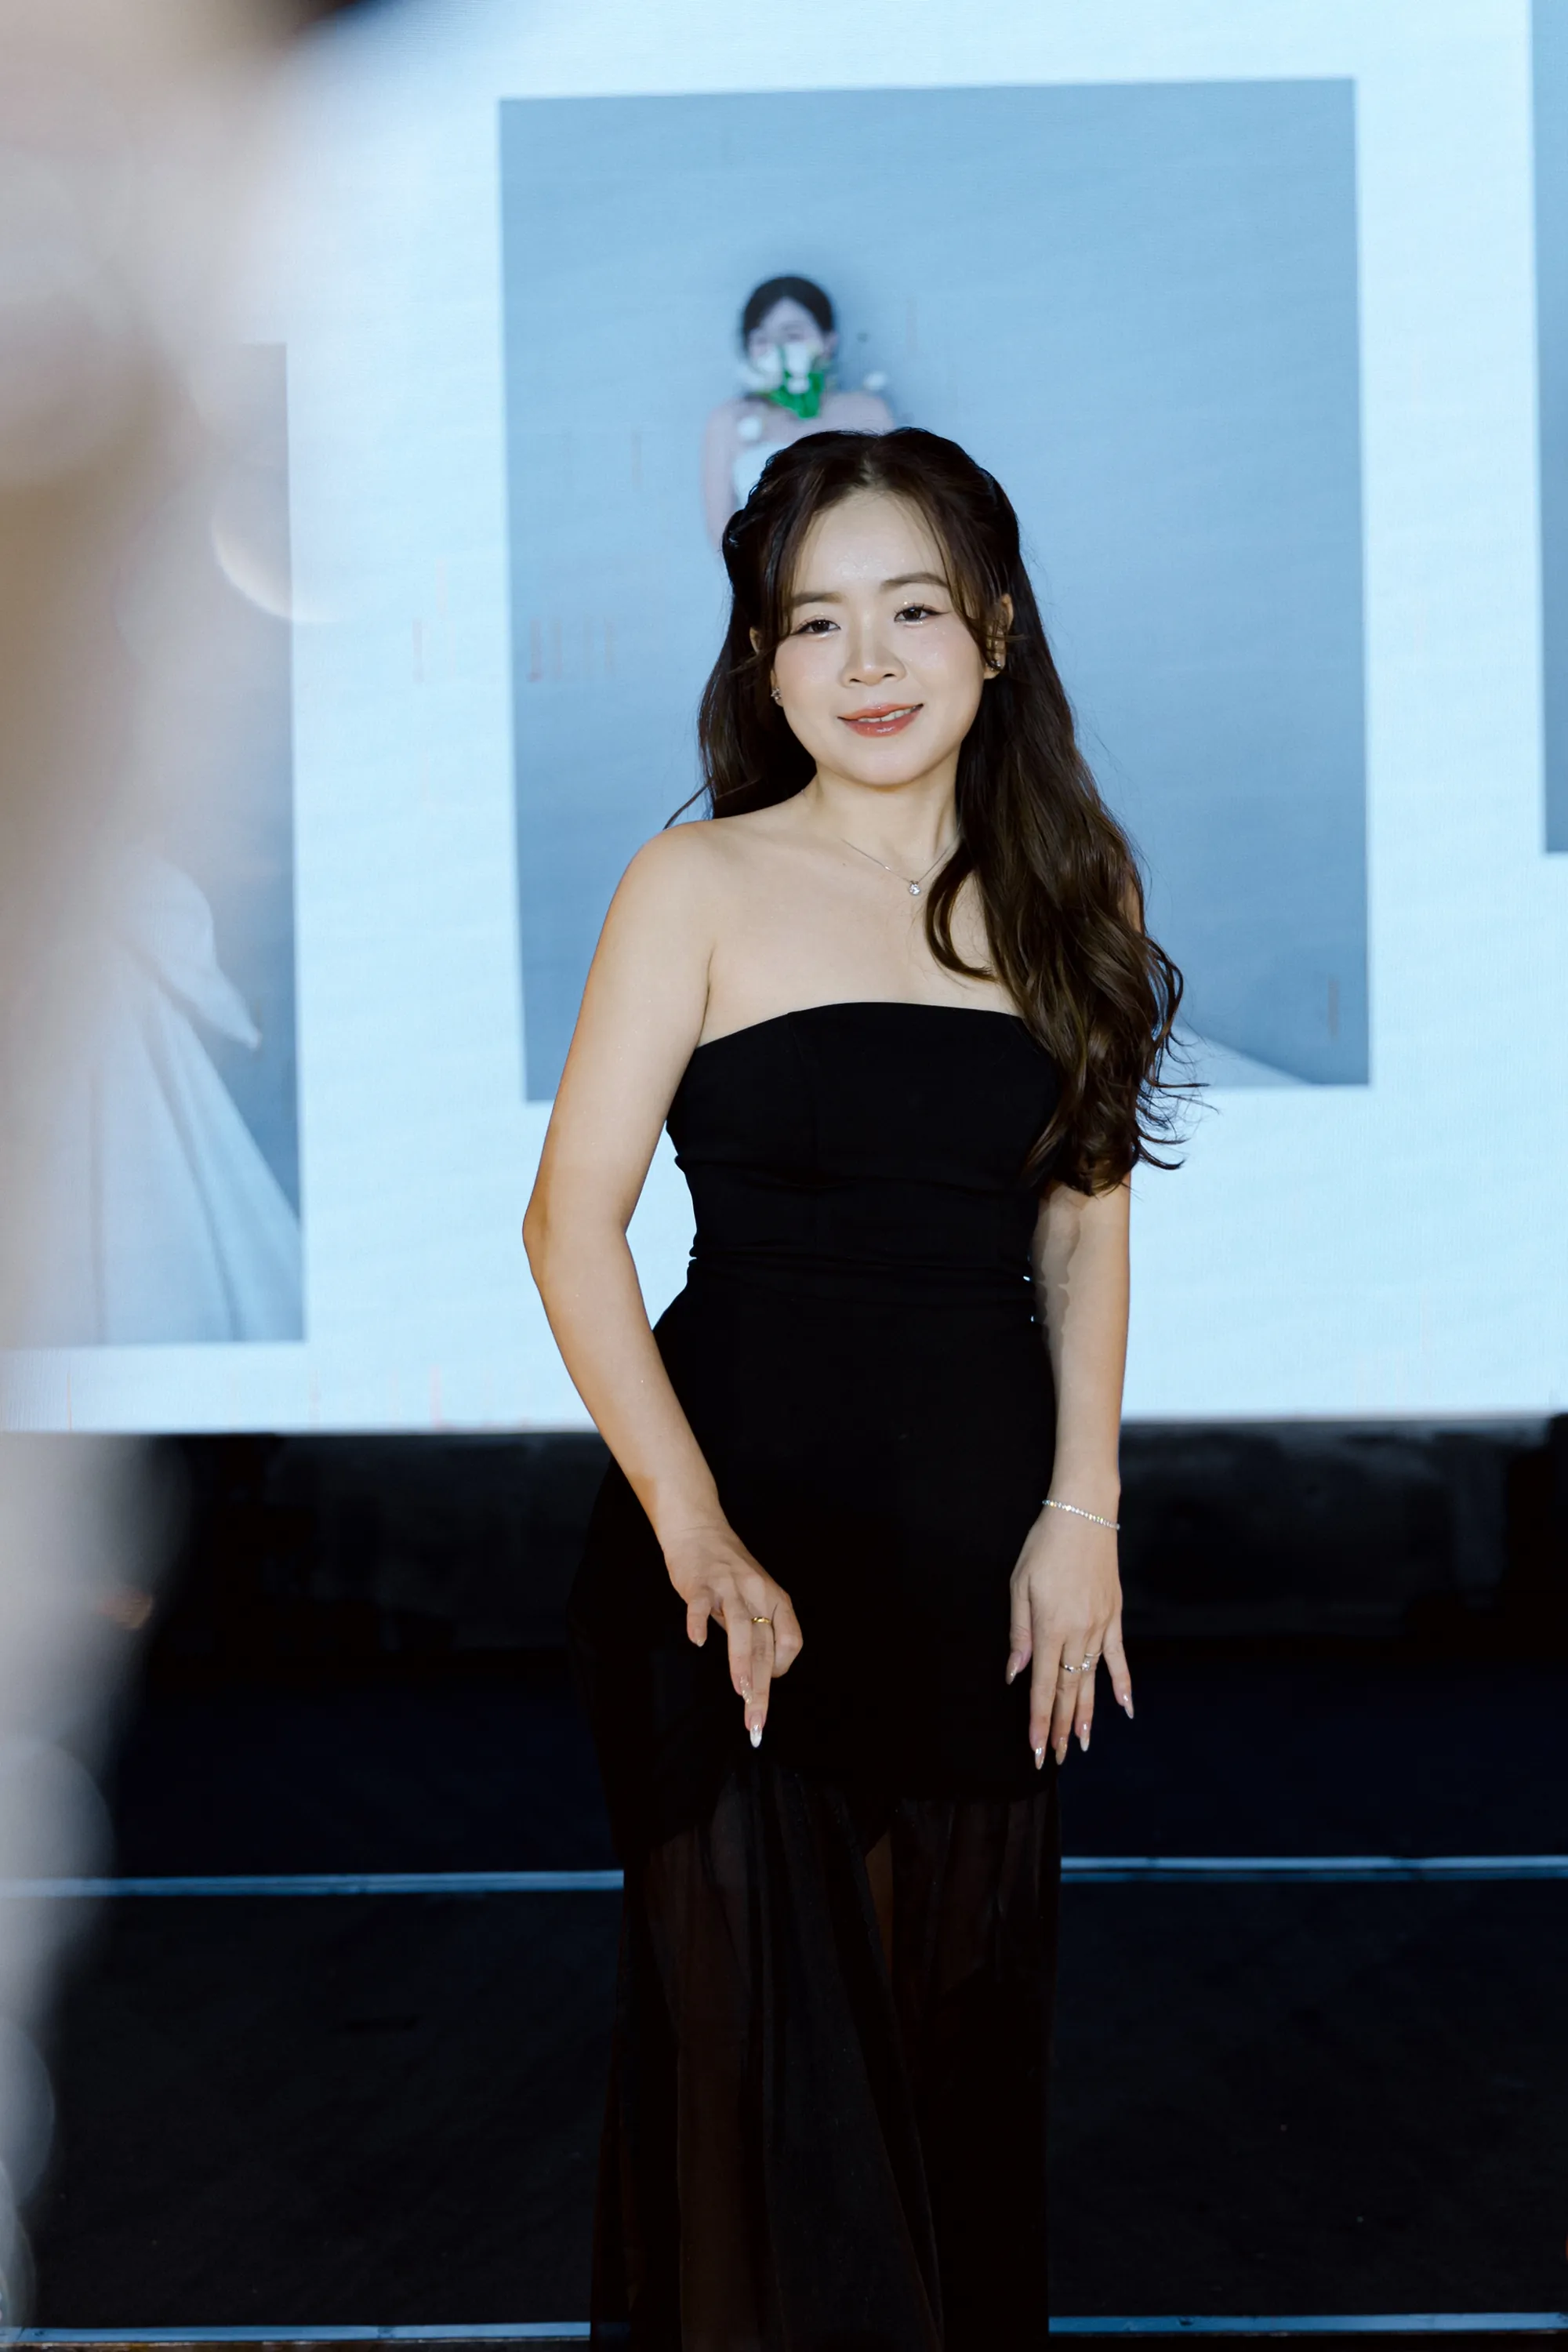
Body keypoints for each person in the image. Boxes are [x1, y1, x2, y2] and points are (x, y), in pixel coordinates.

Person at [524, 426, 1183, 2348]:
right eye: (814, 622)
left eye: (911, 609)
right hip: (727, 1559)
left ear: (994, 629)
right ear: (761, 659)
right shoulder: (695, 881)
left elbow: (1082, 1225)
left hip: (978, 1560)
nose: (867, 660)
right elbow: (571, 1226)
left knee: (943, 2090)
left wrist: (1082, 1514)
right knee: (763, 2119)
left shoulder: (1068, 883)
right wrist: (695, 1535)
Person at [701, 274, 894, 548]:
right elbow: (722, 532)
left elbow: (892, 503)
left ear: (828, 341)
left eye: (792, 335)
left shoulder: (867, 409)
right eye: (761, 339)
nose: (777, 349)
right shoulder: (730, 420)